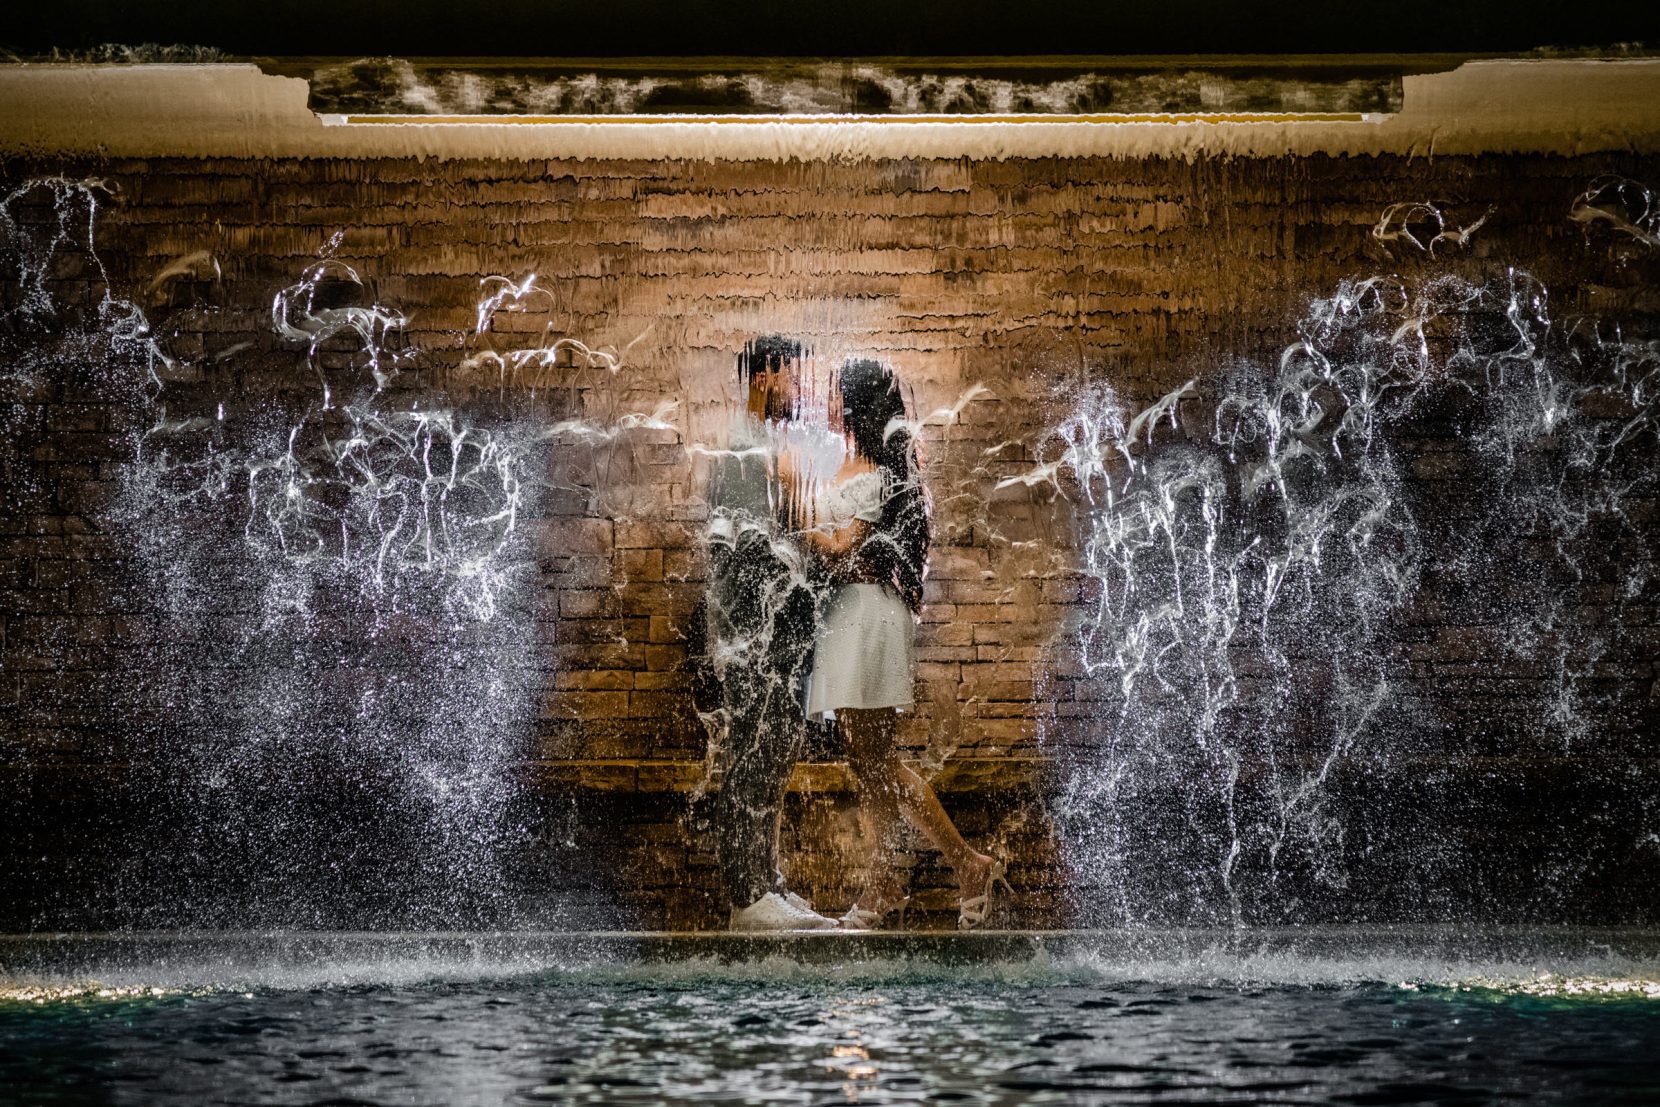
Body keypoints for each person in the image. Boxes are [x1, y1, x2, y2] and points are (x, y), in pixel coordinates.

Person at [799, 358, 1010, 930]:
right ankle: (889, 884)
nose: (828, 403)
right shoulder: (846, 463)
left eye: (838, 395)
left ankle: (960, 865)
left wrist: (791, 523)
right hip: (846, 618)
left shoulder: (881, 474)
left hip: (868, 615)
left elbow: (843, 545)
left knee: (877, 763)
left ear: (857, 404)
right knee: (869, 765)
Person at [704, 335, 836, 931]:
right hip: (752, 634)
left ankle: (767, 885)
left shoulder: (770, 446)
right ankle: (746, 896)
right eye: (795, 378)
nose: (802, 390)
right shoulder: (741, 447)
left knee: (774, 754)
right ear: (764, 378)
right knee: (751, 754)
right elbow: (739, 553)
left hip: (777, 632)